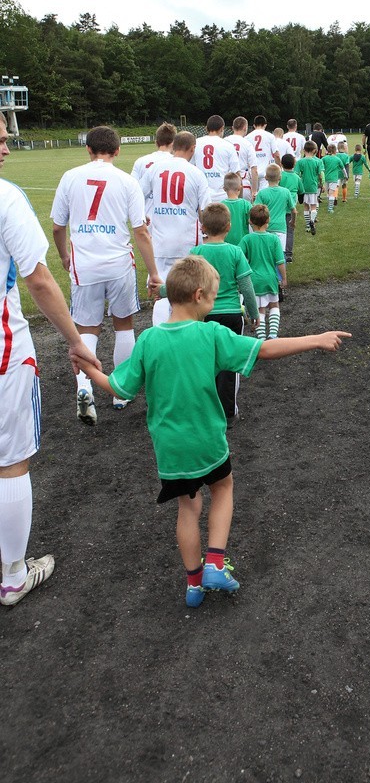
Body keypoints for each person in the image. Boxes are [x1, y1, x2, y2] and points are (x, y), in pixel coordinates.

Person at [79, 254, 350, 608]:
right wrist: (315, 338)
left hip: (170, 448)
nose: (217, 302)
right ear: (197, 296)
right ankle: (215, 564)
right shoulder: (212, 335)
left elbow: (119, 388)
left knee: (188, 508)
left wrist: (90, 368)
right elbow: (265, 348)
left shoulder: (147, 340)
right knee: (223, 488)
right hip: (207, 439)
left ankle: (194, 585)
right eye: (214, 296)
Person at [0, 114, 100, 607]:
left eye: (6, 139)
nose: (6, 149)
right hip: (3, 353)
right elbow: (38, 278)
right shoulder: (5, 197)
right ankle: (14, 573)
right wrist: (76, 339)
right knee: (11, 460)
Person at [51, 126, 161, 425]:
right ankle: (120, 392)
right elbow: (140, 230)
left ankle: (85, 387)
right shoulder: (127, 181)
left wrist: (64, 256)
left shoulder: (70, 176)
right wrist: (153, 272)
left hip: (84, 264)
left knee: (86, 328)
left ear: (88, 149)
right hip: (118, 264)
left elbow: (58, 227)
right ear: (117, 151)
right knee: (124, 324)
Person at [189, 204, 259, 424]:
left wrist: (162, 291)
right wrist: (254, 312)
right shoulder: (235, 251)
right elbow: (246, 287)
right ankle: (228, 412)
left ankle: (206, 410)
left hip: (203, 315)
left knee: (205, 363)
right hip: (230, 315)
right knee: (229, 365)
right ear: (229, 226)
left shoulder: (197, 253)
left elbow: (184, 284)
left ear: (202, 227)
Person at [139, 131, 212, 326]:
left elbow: (138, 194)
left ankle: (160, 336)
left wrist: (141, 215)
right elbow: (205, 209)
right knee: (189, 292)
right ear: (193, 148)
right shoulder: (196, 173)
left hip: (160, 241)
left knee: (161, 292)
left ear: (173, 146)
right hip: (188, 240)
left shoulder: (155, 169)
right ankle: (186, 335)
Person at [240, 205, 286, 339]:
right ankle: (273, 334)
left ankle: (261, 338)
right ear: (268, 220)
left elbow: (239, 258)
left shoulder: (247, 239)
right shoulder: (274, 239)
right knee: (274, 305)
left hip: (254, 280)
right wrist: (284, 278)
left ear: (250, 221)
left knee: (259, 309)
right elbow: (280, 262)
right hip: (270, 278)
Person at [130, 122, 177, 222]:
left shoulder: (140, 161)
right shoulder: (178, 163)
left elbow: (132, 191)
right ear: (173, 143)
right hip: (170, 220)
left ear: (156, 143)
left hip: (146, 219)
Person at [191, 115, 240, 201]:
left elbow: (190, 167)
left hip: (201, 194)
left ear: (206, 128)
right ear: (222, 128)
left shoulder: (196, 143)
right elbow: (236, 174)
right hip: (222, 195)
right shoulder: (228, 145)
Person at [255, 164, 296, 253]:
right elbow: (293, 210)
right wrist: (292, 221)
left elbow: (255, 209)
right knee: (280, 254)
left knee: (266, 253)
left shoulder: (262, 193)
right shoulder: (286, 192)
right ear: (280, 177)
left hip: (266, 227)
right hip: (280, 228)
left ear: (265, 177)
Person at [246, 116, 283, 191]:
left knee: (252, 198)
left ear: (254, 125)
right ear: (265, 125)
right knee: (263, 199)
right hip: (265, 172)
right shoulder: (270, 136)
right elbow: (276, 154)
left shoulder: (247, 137)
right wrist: (279, 168)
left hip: (252, 172)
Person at [279, 153, 304, 262]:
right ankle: (288, 254)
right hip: (291, 208)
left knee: (279, 231)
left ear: (281, 164)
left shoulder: (280, 176)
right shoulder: (297, 177)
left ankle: (280, 252)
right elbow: (301, 191)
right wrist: (301, 200)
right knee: (290, 232)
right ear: (294, 164)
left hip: (279, 208)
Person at [296, 141, 324, 234]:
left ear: (304, 150)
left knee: (305, 207)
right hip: (313, 186)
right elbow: (321, 175)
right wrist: (322, 184)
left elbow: (297, 175)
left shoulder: (300, 162)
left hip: (303, 187)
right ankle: (312, 221)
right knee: (313, 206)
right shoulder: (318, 161)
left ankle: (308, 225)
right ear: (315, 150)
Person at [230, 117, 259, 199]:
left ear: (233, 128)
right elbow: (254, 169)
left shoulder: (224, 141)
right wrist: (254, 191)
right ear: (245, 128)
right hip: (243, 181)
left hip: (227, 183)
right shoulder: (247, 144)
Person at [222, 172, 252, 247]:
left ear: (224, 189)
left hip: (225, 244)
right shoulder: (246, 205)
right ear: (240, 188)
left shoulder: (221, 205)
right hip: (242, 244)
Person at [321, 144, 345, 214]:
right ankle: (330, 208)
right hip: (334, 178)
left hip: (326, 178)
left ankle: (330, 205)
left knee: (328, 193)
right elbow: (343, 168)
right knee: (331, 193)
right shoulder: (337, 159)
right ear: (335, 151)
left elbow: (320, 167)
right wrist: (345, 176)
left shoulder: (324, 158)